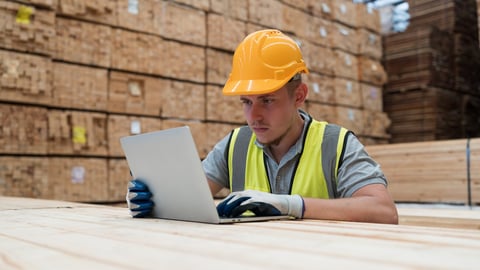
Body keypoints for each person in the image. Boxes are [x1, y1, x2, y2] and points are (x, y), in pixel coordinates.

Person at [127, 29, 399, 224]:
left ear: (299, 96)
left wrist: (290, 205)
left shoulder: (336, 144)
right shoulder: (236, 145)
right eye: (246, 101)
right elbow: (190, 200)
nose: (253, 116)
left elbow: (383, 210)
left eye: (267, 100)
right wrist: (152, 201)